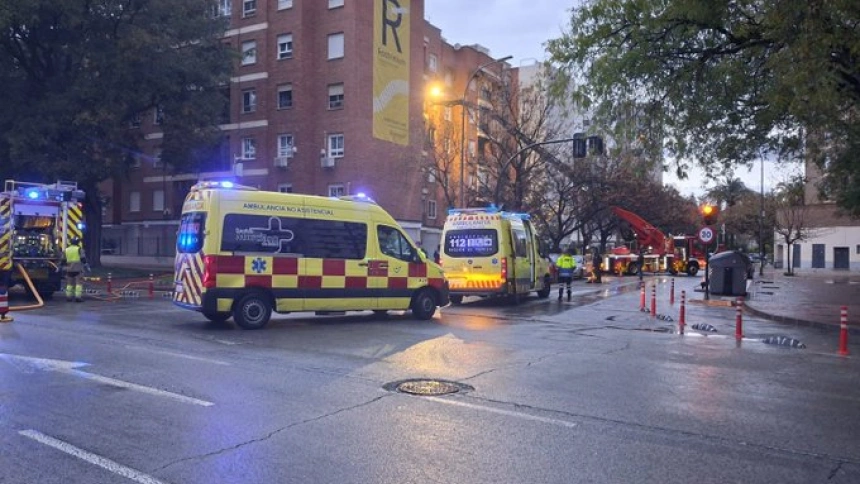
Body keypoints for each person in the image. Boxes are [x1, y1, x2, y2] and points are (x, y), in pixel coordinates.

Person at [62, 236, 88, 302]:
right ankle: (78, 297)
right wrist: (86, 265)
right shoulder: (79, 249)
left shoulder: (66, 250)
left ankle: (68, 297)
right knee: (78, 283)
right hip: (78, 269)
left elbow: (63, 260)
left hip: (69, 269)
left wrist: (62, 268)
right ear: (78, 242)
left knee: (69, 284)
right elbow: (83, 259)